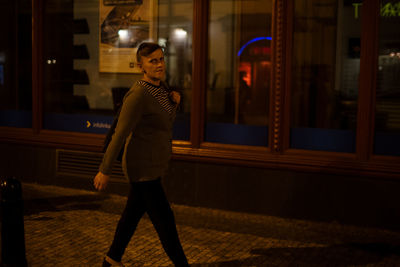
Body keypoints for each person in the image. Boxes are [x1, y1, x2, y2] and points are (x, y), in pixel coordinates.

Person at [94, 42, 189, 267]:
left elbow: (161, 123)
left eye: (161, 59)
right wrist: (104, 170)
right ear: (141, 66)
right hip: (142, 167)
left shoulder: (162, 88)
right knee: (165, 221)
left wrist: (175, 103)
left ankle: (111, 259)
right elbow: (119, 134)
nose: (159, 65)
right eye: (152, 61)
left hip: (154, 164)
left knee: (131, 216)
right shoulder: (138, 94)